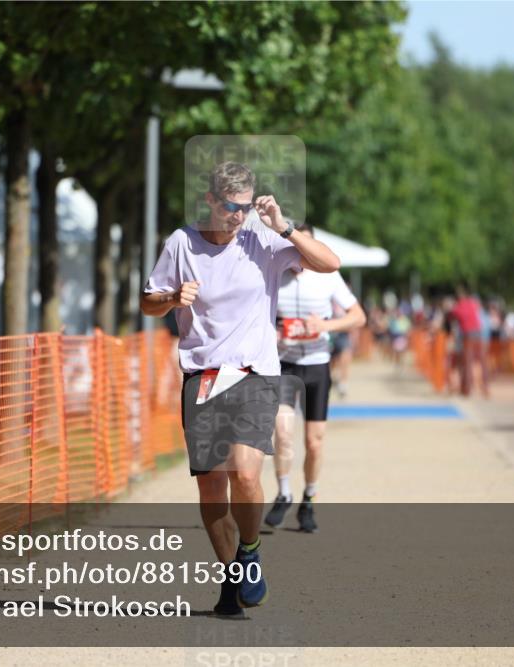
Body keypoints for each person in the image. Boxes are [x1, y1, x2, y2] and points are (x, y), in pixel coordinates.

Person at [141, 161, 340, 618]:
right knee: (212, 486)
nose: (239, 216)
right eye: (232, 207)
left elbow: (330, 264)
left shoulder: (262, 240)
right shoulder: (181, 243)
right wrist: (172, 299)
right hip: (203, 375)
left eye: (246, 207)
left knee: (246, 474)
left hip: (254, 373)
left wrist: (284, 227)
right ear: (210, 200)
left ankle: (249, 551)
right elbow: (148, 302)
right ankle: (232, 576)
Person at [264, 222, 365, 533]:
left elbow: (357, 316)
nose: (300, 253)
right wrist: (274, 330)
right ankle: (284, 492)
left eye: (306, 246)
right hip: (283, 364)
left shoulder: (328, 277)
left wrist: (324, 326)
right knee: (282, 435)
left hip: (317, 365)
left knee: (314, 442)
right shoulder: (274, 273)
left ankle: (308, 498)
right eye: (295, 246)